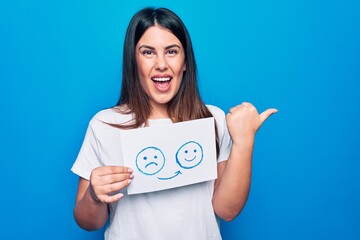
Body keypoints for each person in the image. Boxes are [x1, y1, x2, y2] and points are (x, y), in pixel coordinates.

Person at [72, 7, 277, 240]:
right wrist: (93, 196)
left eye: (171, 51)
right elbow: (89, 222)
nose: (161, 64)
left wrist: (244, 142)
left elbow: (227, 211)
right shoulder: (105, 125)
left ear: (185, 62)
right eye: (148, 52)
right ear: (133, 62)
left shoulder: (213, 119)